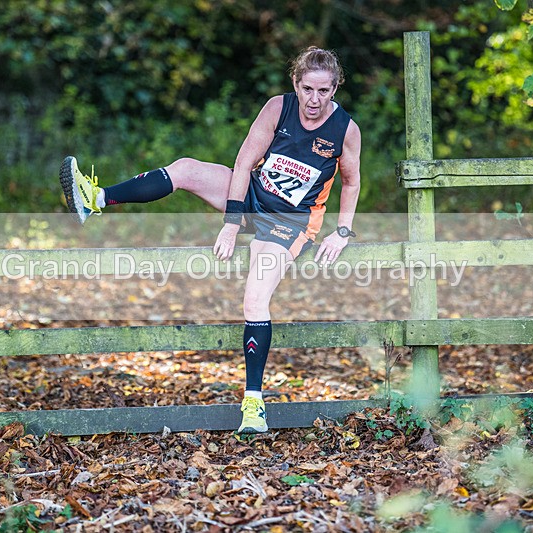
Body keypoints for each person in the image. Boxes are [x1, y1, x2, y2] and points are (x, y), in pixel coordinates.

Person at [59, 46, 361, 434]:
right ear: (295, 84)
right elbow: (242, 162)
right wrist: (233, 222)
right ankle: (94, 199)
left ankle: (254, 405)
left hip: (290, 222)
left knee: (255, 297)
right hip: (252, 194)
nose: (314, 100)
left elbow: (351, 182)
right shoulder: (277, 109)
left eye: (323, 91)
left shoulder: (345, 130)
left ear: (335, 88)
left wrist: (342, 231)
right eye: (307, 89)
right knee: (186, 168)